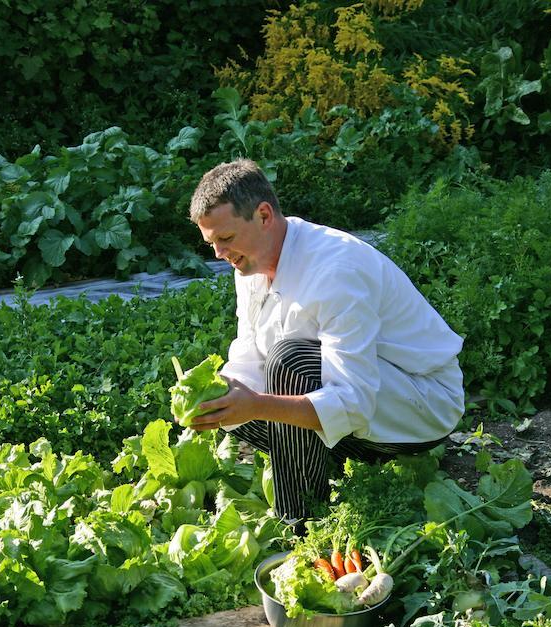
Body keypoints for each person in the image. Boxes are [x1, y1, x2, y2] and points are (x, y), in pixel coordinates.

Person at [186, 158, 465, 524]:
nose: (220, 254)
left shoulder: (336, 270)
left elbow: (354, 402)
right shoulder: (250, 262)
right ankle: (314, 470)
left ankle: (301, 522)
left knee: (289, 362)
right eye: (212, 243)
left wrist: (257, 404)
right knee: (232, 409)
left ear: (264, 216)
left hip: (421, 405)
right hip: (364, 405)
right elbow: (250, 351)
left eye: (225, 239)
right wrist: (214, 394)